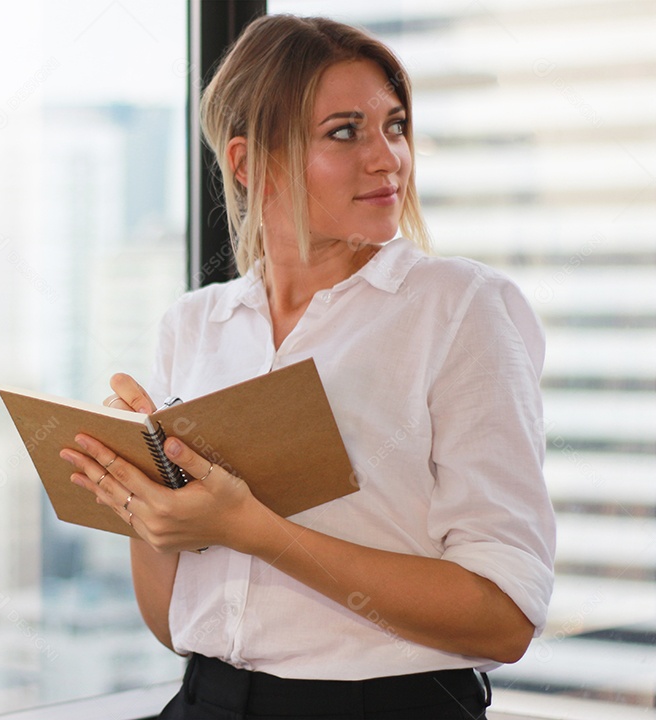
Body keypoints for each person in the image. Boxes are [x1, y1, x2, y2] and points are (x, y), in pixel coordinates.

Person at [59, 14, 555, 720]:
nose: (388, 159)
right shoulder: (196, 325)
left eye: (395, 126)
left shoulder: (461, 308)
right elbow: (171, 624)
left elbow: (504, 620)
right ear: (246, 162)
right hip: (205, 701)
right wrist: (147, 500)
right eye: (345, 132)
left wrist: (254, 529)